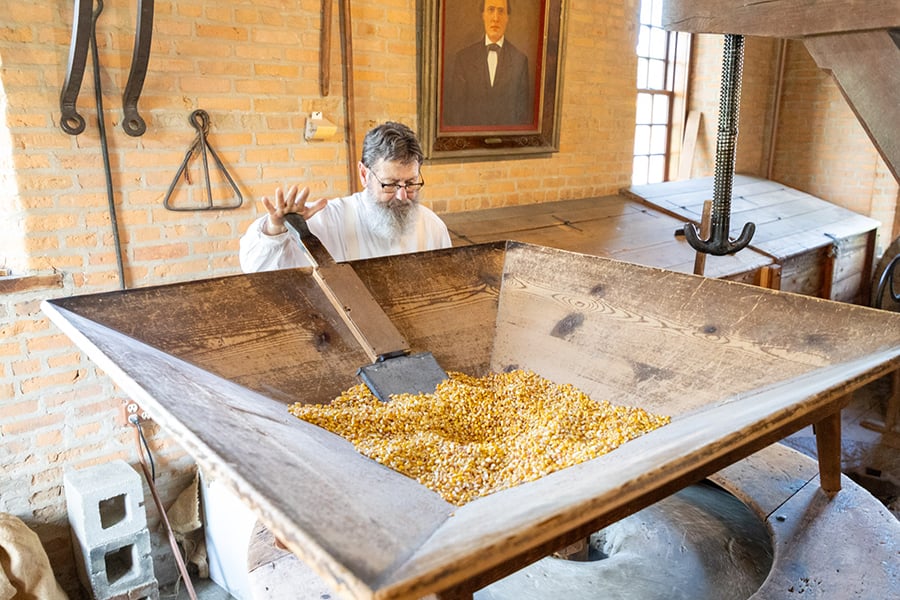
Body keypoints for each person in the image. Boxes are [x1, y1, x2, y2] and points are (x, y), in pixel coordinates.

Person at [240, 122, 451, 272]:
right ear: (364, 174)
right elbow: (254, 266)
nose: (403, 195)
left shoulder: (433, 227)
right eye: (390, 184)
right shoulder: (329, 220)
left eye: (411, 182)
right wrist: (276, 230)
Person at [443, 0, 532, 127]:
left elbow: (522, 116)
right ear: (483, 15)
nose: (496, 18)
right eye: (491, 10)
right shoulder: (463, 59)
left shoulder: (520, 60)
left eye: (501, 11)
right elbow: (456, 114)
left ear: (507, 17)